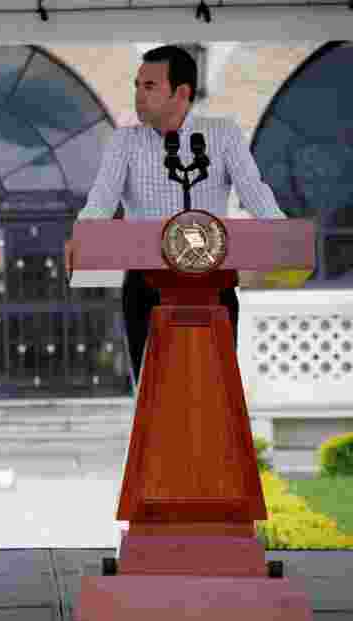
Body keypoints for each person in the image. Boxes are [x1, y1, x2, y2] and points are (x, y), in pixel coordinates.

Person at [76, 44, 286, 387]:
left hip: (212, 283)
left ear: (182, 92)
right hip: (146, 287)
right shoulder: (124, 142)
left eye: (149, 87)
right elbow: (100, 202)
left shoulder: (223, 134)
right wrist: (84, 236)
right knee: (152, 390)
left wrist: (284, 233)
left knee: (214, 389)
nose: (138, 96)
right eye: (136, 86)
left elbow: (256, 194)